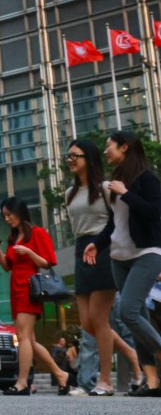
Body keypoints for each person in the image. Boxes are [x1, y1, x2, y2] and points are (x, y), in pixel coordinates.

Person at [86, 130, 161, 397]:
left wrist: (127, 194)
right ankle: (152, 381)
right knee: (137, 316)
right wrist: (98, 242)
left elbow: (155, 212)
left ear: (125, 148)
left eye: (109, 146)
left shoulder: (146, 179)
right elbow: (114, 222)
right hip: (119, 258)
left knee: (127, 312)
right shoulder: (116, 181)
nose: (106, 151)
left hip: (147, 253)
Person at [64, 139, 141, 395]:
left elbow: (120, 219)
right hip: (80, 250)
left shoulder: (106, 188)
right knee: (88, 323)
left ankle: (105, 381)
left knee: (99, 319)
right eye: (69, 156)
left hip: (104, 249)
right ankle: (130, 353)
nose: (71, 160)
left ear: (90, 158)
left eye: (76, 155)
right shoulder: (69, 193)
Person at [0, 196, 71, 395]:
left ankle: (22, 382)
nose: (7, 219)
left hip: (29, 288)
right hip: (15, 288)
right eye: (4, 216)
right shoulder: (12, 237)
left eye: (9, 214)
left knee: (23, 337)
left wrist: (28, 252)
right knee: (29, 340)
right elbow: (7, 266)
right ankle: (60, 374)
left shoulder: (37, 233)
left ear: (20, 212)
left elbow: (48, 262)